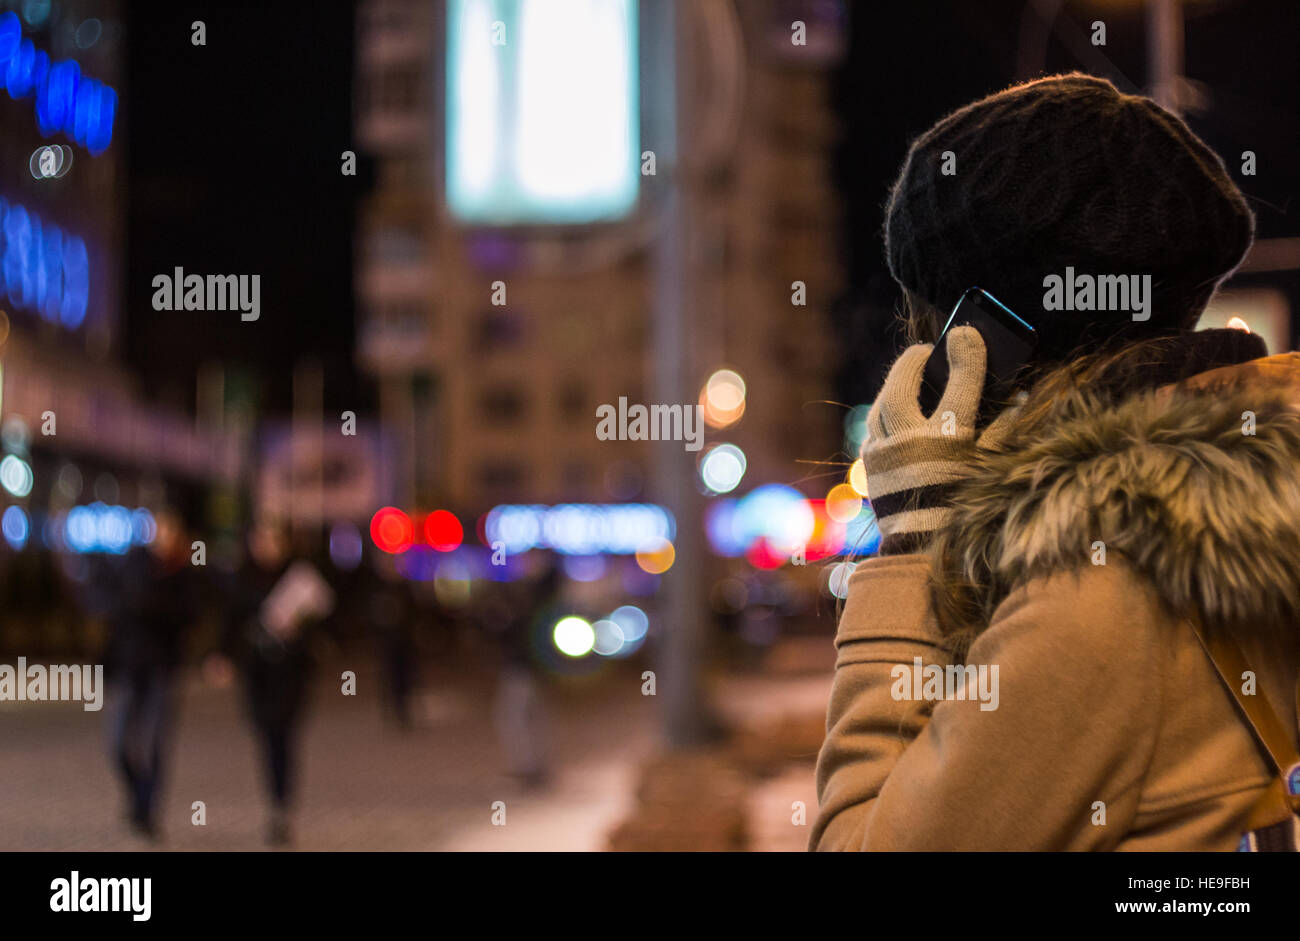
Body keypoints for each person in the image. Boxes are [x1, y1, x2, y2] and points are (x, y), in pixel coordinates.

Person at [813, 74, 1300, 850]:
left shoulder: (1105, 582)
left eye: (928, 323)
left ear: (980, 344)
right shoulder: (1247, 502)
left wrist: (911, 552)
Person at [209, 521, 334, 846]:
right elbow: (231, 620)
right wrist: (221, 656)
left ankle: (281, 806)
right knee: (265, 735)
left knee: (284, 738)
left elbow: (327, 622)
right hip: (257, 670)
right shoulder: (244, 577)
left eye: (273, 540)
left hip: (291, 672)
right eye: (261, 539)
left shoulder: (301, 575)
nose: (267, 546)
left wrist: (299, 629)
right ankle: (275, 798)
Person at [100, 505, 202, 840]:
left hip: (163, 668)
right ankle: (136, 794)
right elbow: (113, 608)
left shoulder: (184, 572)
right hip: (130, 667)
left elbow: (190, 616)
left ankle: (148, 809)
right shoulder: (133, 563)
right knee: (118, 743)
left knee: (156, 742)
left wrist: (153, 606)